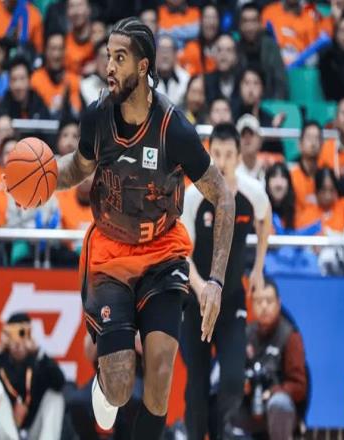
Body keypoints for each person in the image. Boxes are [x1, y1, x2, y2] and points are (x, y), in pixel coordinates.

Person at [54, 17, 235, 439]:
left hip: (162, 253)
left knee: (159, 381)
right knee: (119, 390)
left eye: (119, 58)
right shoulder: (97, 116)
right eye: (108, 57)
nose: (109, 67)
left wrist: (215, 281)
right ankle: (106, 384)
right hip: (111, 253)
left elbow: (223, 196)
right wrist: (43, 181)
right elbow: (77, 168)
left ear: (143, 66)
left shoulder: (175, 129)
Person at [181, 123, 271, 440]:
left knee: (233, 381)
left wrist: (258, 268)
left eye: (228, 155)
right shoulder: (193, 197)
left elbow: (265, 219)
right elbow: (182, 255)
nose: (221, 162)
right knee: (196, 389)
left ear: (238, 155)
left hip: (231, 301)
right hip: (196, 305)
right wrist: (201, 288)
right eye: (216, 154)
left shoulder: (251, 192)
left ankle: (219, 431)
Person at [232, 278, 307, 440]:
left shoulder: (290, 336)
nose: (264, 306)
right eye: (259, 301)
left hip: (279, 408)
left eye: (269, 301)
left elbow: (299, 386)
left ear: (278, 303)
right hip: (250, 406)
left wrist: (272, 392)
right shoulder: (245, 334)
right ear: (252, 305)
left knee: (279, 403)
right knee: (225, 401)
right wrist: (243, 385)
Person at [0, 313, 65, 440]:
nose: (17, 343)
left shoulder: (38, 361)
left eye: (21, 334)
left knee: (55, 397)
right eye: (12, 335)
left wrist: (38, 352)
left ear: (29, 335)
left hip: (33, 428)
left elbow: (60, 383)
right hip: (8, 429)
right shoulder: (0, 363)